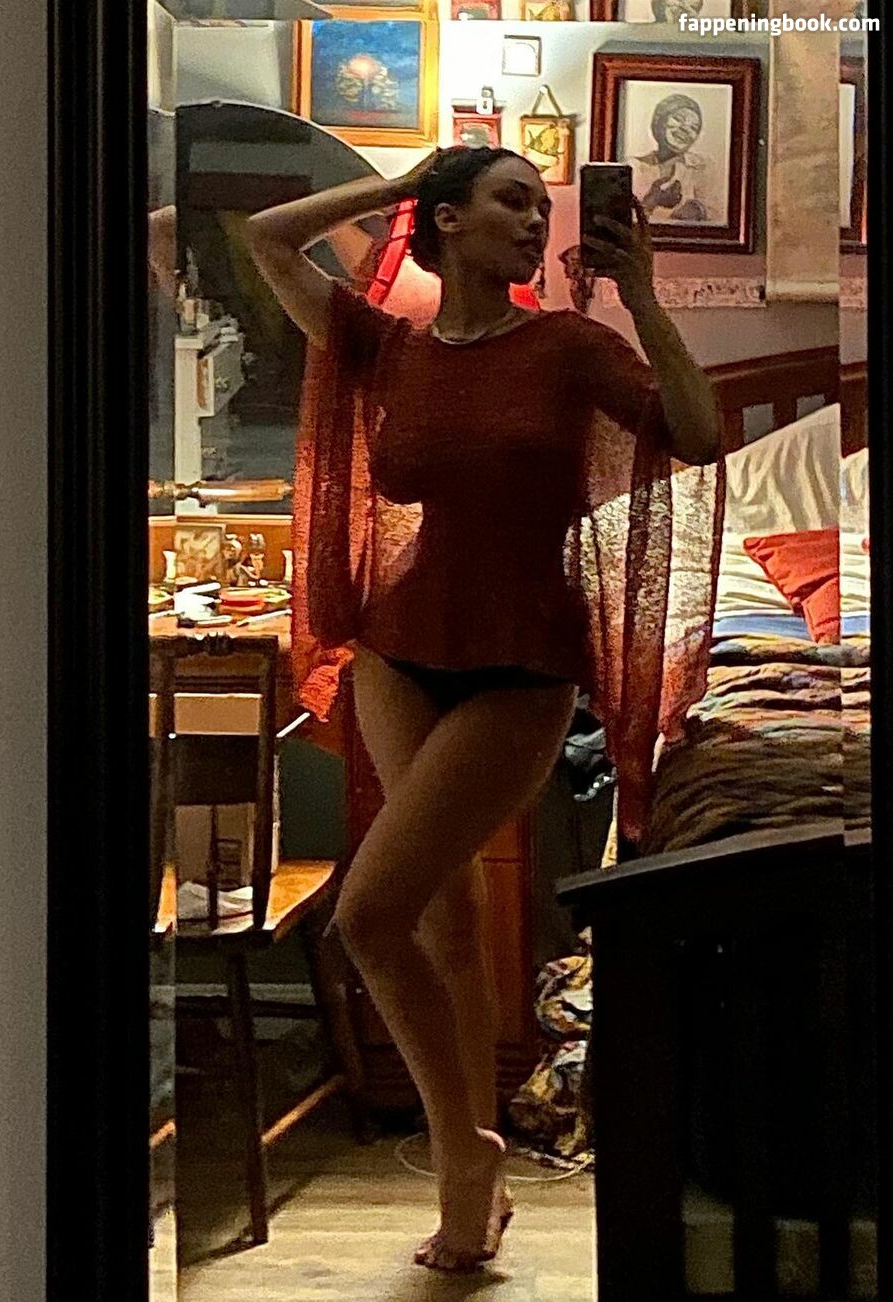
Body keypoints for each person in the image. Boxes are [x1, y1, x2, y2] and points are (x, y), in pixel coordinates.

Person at [245, 146, 722, 1273]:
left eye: (539, 207)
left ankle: (464, 1152)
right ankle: (476, 1165)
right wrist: (402, 181)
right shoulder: (391, 349)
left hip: (520, 667)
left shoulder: (570, 348)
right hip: (398, 652)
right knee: (443, 921)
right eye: (510, 199)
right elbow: (268, 238)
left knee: (369, 917)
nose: (534, 221)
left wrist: (644, 295)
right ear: (447, 219)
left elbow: (699, 437)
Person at [631, 92, 713, 223]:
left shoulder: (703, 168)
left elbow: (719, 216)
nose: (685, 129)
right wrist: (652, 201)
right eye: (678, 119)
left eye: (694, 128)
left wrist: (697, 210)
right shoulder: (633, 167)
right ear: (659, 121)